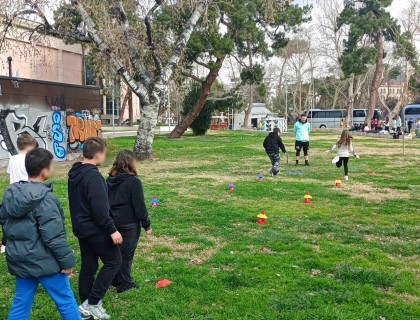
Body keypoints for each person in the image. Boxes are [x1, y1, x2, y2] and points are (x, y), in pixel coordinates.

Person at [0, 148, 80, 320]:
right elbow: (53, 236)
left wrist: (6, 243)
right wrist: (67, 262)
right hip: (46, 263)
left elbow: (6, 225)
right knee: (65, 299)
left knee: (21, 302)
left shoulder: (10, 195)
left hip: (21, 259)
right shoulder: (46, 199)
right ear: (45, 170)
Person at [68, 137, 122, 320]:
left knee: (89, 264)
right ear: (98, 154)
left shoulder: (75, 172)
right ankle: (92, 302)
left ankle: (85, 306)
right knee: (114, 260)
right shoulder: (93, 176)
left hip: (82, 228)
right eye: (104, 154)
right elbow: (100, 209)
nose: (104, 157)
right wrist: (112, 229)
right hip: (95, 228)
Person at [106, 150, 152, 293]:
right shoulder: (133, 182)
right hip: (128, 224)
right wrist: (147, 224)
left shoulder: (108, 181)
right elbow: (139, 206)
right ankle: (124, 282)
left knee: (116, 253)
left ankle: (115, 279)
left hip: (112, 223)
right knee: (126, 254)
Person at [2, 134, 38, 254]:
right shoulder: (30, 159)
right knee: (29, 218)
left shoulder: (13, 158)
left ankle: (6, 243)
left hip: (13, 192)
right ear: (31, 146)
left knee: (11, 219)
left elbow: (9, 173)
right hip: (27, 191)